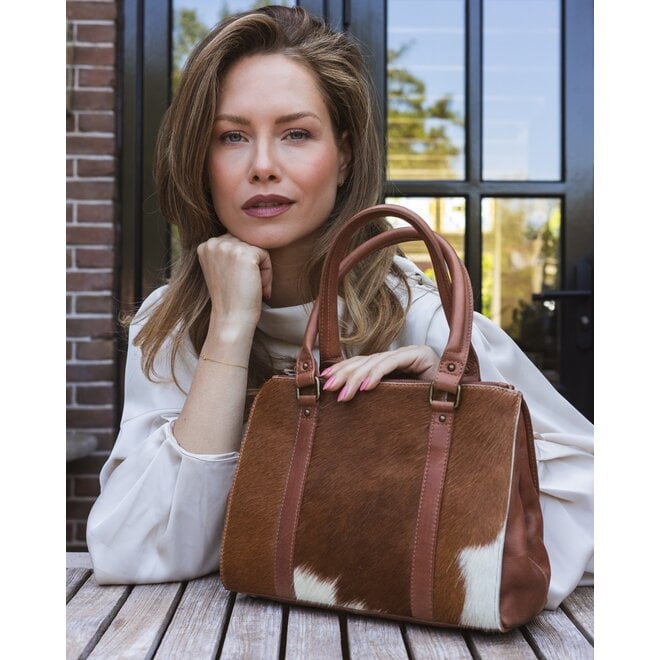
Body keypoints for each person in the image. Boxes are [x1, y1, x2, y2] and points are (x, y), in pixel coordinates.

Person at [86, 5, 593, 610]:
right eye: (231, 136)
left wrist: (458, 421)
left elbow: (591, 499)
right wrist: (228, 329)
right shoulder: (170, 323)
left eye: (296, 134)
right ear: (200, 157)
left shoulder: (416, 314)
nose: (263, 166)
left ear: (345, 154)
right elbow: (134, 550)